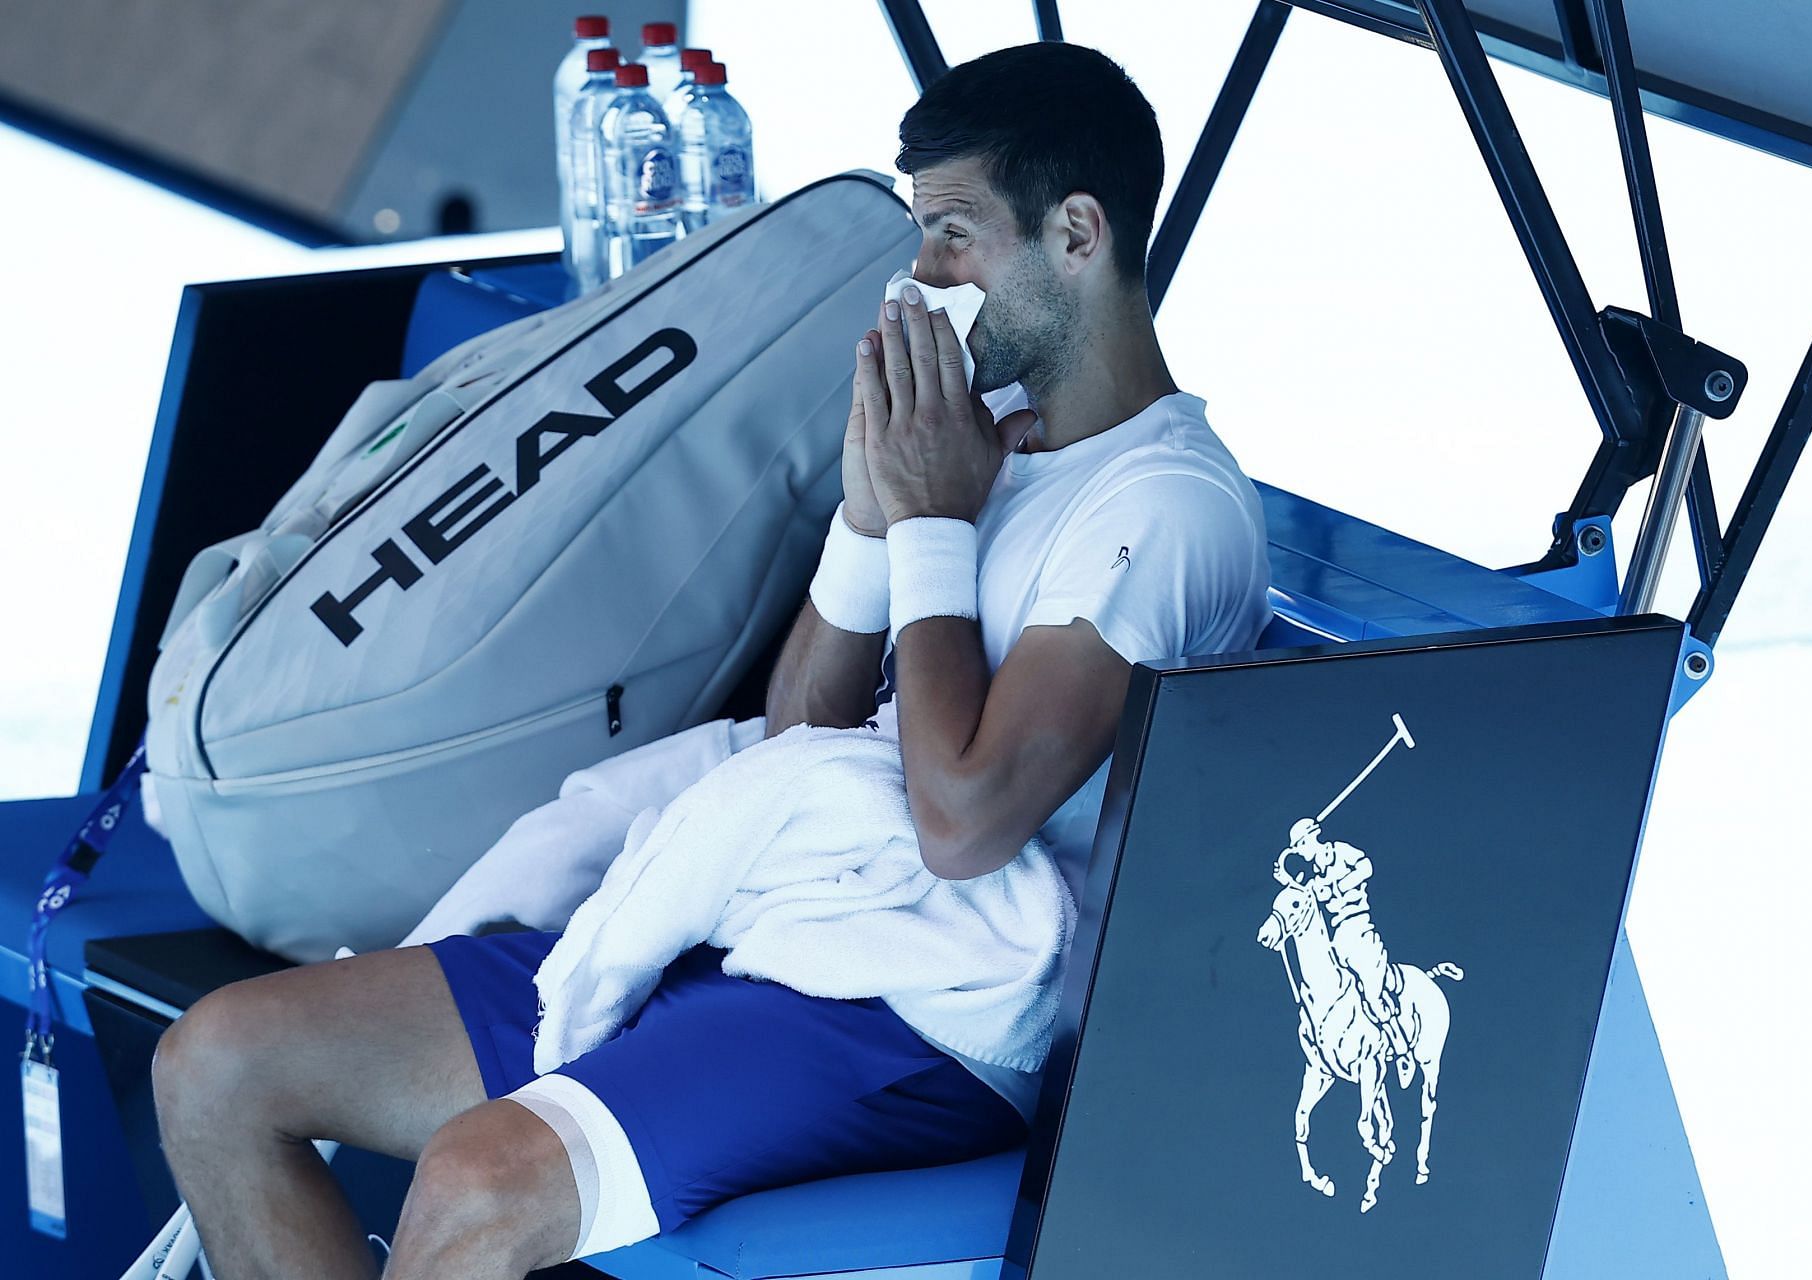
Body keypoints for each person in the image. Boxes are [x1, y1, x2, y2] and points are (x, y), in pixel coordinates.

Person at [150, 41, 1271, 1279]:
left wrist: (934, 525)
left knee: (478, 1179)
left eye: (955, 236)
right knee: (219, 1063)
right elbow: (802, 739)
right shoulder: (983, 442)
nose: (922, 278)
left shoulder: (1166, 507)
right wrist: (866, 520)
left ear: (1076, 234)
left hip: (932, 1015)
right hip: (786, 919)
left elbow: (964, 826)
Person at [1285, 816, 1413, 1067]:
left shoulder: (1339, 852)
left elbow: (1366, 867)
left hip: (1360, 930)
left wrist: (1337, 887)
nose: (1300, 852)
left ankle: (1401, 1046)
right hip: (1337, 939)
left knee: (1371, 992)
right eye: (1297, 848)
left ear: (1311, 838)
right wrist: (1286, 880)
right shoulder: (1314, 878)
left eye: (1300, 845)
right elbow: (1302, 900)